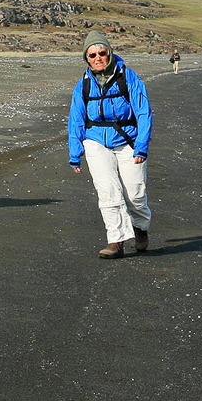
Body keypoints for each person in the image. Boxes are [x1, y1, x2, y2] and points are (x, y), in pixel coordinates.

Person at [68, 31, 153, 258]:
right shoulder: (83, 85)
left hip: (128, 141)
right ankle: (115, 241)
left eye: (102, 53)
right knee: (108, 191)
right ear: (86, 58)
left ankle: (140, 227)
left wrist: (142, 146)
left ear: (109, 52)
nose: (98, 58)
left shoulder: (129, 77)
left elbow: (144, 113)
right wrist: (75, 153)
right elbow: (76, 119)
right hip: (95, 141)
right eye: (92, 54)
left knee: (135, 193)